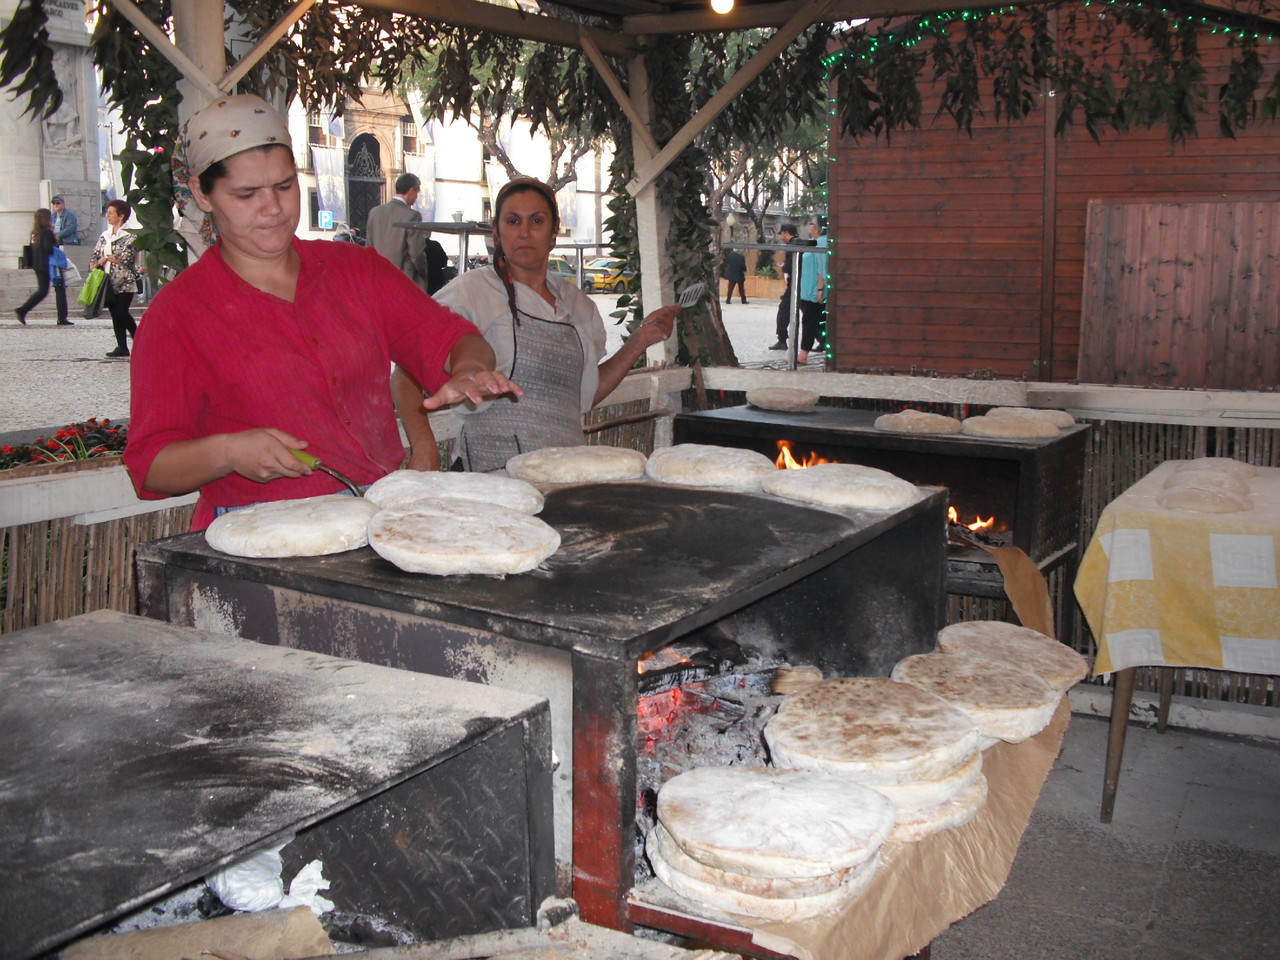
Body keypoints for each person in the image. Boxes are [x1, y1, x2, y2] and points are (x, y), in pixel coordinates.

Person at [123, 94, 519, 530]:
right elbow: (150, 467)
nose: (273, 207)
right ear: (202, 193)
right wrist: (228, 453)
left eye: (284, 185)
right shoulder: (178, 314)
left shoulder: (357, 271)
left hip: (377, 518)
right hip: (259, 532)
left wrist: (470, 369)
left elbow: (452, 337)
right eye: (246, 194)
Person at [394, 176, 681, 474]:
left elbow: (581, 398)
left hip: (566, 471)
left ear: (554, 231)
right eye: (513, 221)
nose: (525, 232)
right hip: (491, 474)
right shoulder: (470, 293)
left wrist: (640, 340)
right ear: (497, 232)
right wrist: (424, 448)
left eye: (537, 221)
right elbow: (405, 373)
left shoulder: (579, 305)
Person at [91, 199, 141, 358]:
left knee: (121, 311)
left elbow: (127, 258)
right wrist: (101, 261)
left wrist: (109, 258)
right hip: (108, 281)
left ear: (121, 215)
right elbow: (95, 257)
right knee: (114, 313)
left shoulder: (131, 235)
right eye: (107, 212)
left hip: (126, 280)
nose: (108, 215)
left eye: (111, 213)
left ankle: (139, 339)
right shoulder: (105, 236)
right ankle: (122, 346)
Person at [366, 172, 431, 291]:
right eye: (417, 193)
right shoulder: (412, 215)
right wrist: (423, 273)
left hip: (378, 279)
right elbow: (416, 252)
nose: (417, 197)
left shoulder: (375, 212)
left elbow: (369, 247)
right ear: (411, 191)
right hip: (403, 280)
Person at [14, 208, 71, 326]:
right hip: (50, 264)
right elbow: (48, 249)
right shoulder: (46, 232)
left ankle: (23, 310)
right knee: (60, 289)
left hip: (38, 265)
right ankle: (62, 317)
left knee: (43, 291)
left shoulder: (34, 233)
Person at [796, 220, 828, 365]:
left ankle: (803, 355)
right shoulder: (815, 242)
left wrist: (820, 288)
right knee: (815, 324)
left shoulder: (822, 242)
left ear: (817, 228)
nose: (810, 226)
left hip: (813, 291)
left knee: (810, 322)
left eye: (812, 224)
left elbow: (822, 268)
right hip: (808, 290)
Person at [768, 224, 800, 350]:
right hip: (804, 283)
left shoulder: (791, 246)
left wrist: (783, 267)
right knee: (810, 314)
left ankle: (782, 339)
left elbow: (789, 266)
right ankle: (821, 340)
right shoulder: (800, 244)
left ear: (786, 233)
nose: (781, 237)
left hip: (794, 284)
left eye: (781, 234)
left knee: (783, 311)